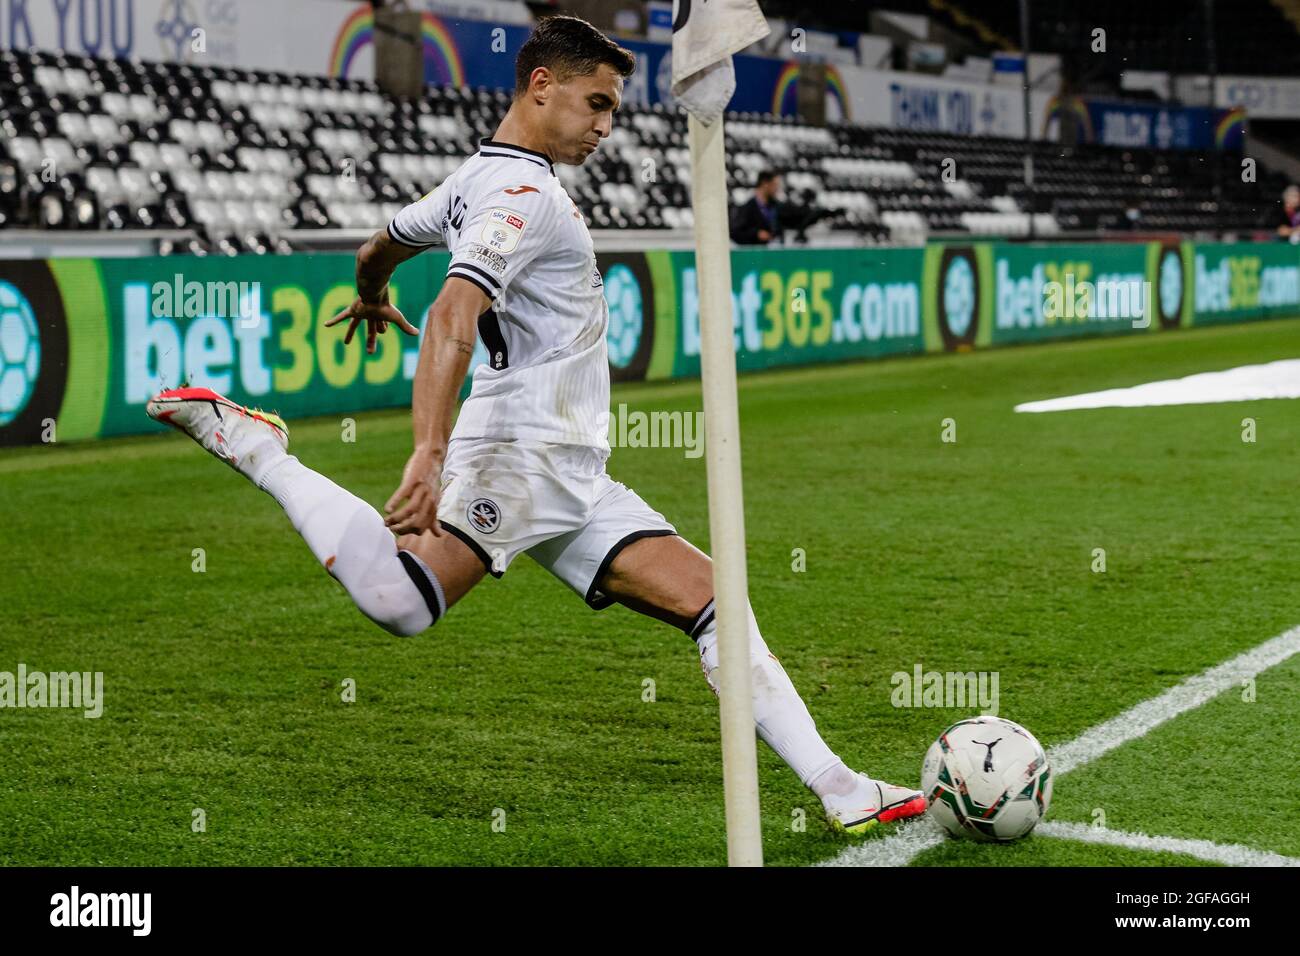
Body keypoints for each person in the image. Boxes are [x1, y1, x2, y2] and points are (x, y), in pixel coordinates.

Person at [146, 15, 925, 836]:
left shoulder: (473, 181)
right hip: (519, 456)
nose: (605, 126)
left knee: (718, 602)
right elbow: (452, 311)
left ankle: (839, 786)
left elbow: (383, 244)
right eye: (596, 103)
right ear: (540, 86)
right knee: (400, 601)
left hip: (573, 471)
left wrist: (373, 289)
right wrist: (427, 449)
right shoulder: (522, 194)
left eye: (615, 110)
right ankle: (259, 450)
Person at [730, 169, 783, 245]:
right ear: (765, 183)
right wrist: (756, 234)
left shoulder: (775, 205)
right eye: (774, 185)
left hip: (771, 253)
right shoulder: (747, 206)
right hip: (753, 254)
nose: (777, 188)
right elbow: (735, 232)